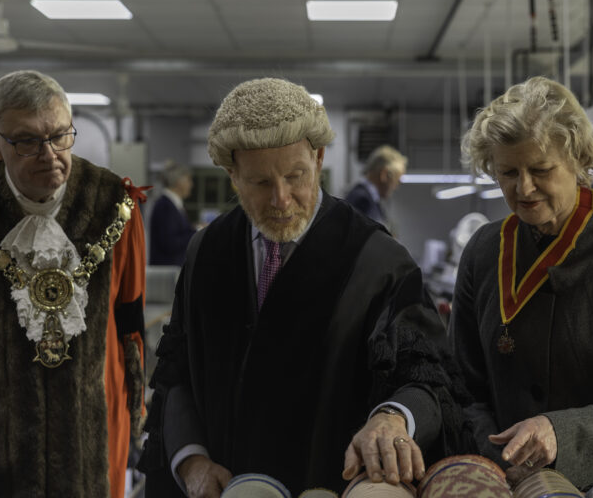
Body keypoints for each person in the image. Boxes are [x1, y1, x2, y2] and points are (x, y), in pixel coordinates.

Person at [138, 78, 472, 497]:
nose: (281, 199)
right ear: (233, 174)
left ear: (318, 156)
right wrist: (191, 461)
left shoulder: (378, 260)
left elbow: (428, 379)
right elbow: (176, 373)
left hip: (329, 483)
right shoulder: (207, 252)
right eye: (260, 182)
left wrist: (392, 418)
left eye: (295, 175)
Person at [0, 70, 147, 497]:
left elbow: (130, 320)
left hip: (93, 421)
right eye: (27, 141)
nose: (50, 154)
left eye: (61, 135)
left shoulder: (116, 206)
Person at [450, 76, 593, 495]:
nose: (523, 188)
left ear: (577, 160)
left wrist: (559, 434)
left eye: (541, 170)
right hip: (509, 484)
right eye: (507, 172)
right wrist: (499, 454)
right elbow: (462, 388)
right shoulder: (484, 253)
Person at [344, 145, 407, 227]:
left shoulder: (368, 199)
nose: (396, 187)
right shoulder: (363, 201)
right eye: (396, 181)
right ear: (384, 175)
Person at [149, 160, 196, 266]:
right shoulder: (165, 206)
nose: (191, 185)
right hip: (167, 273)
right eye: (189, 180)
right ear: (178, 182)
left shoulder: (173, 205)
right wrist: (196, 232)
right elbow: (169, 243)